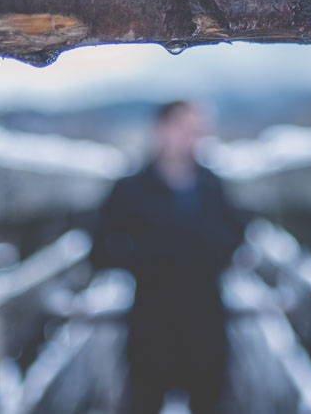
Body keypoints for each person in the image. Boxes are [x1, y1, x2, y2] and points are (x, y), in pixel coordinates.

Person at [90, 100, 245, 414]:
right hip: (151, 328)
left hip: (206, 328)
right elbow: (100, 248)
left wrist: (205, 256)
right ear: (160, 130)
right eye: (184, 128)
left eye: (198, 130)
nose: (192, 137)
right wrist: (147, 259)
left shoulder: (213, 186)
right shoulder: (131, 188)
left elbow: (236, 239)